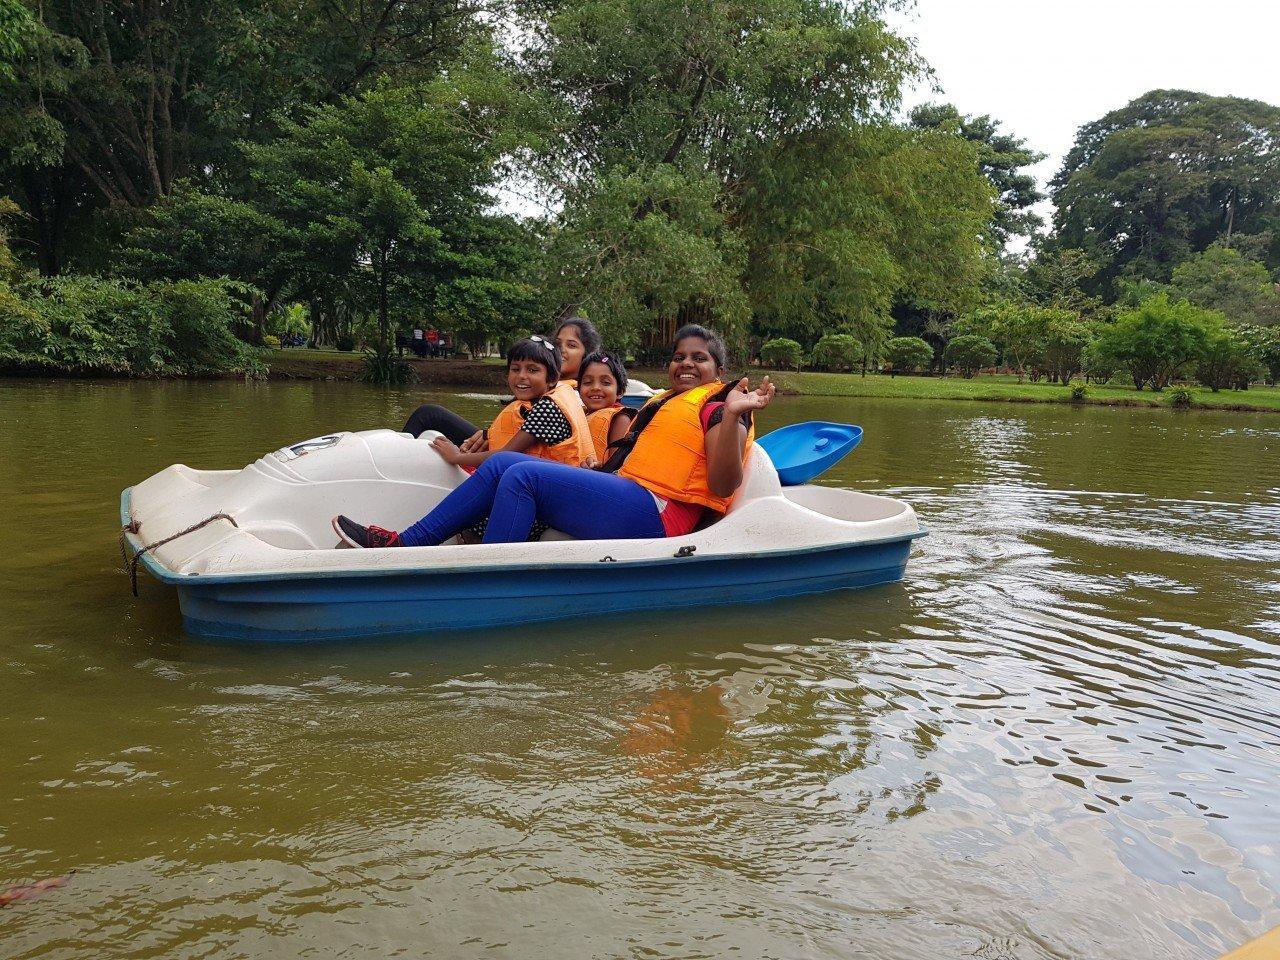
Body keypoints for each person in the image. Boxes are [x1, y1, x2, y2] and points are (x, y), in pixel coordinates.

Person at [331, 324, 773, 548]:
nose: (686, 364)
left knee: (524, 476)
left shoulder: (720, 406)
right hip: (632, 493)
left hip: (661, 517)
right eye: (679, 356)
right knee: (506, 462)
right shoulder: (666, 401)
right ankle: (404, 543)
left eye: (700, 358)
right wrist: (599, 470)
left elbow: (721, 485)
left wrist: (734, 416)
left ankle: (484, 579)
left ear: (720, 371)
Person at [577, 350, 635, 463]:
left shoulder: (620, 418)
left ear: (620, 392)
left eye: (606, 383)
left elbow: (616, 464)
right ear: (579, 389)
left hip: (601, 477)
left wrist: (598, 466)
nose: (595, 387)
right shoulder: (578, 415)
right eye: (588, 382)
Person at [552, 315, 602, 385]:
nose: (561, 349)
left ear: (587, 354)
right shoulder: (542, 386)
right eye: (557, 344)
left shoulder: (585, 393)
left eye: (571, 345)